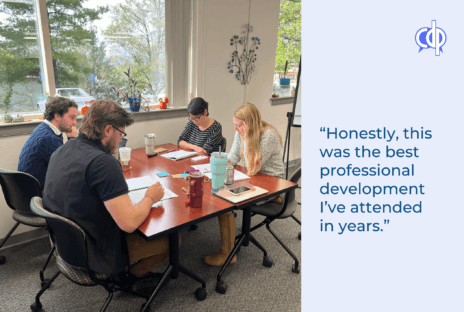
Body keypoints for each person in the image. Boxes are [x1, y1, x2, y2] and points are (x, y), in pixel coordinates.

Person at [42, 99, 169, 290]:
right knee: (171, 241)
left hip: (65, 246)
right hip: (93, 254)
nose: (120, 139)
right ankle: (124, 279)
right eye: (121, 133)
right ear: (108, 129)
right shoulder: (103, 163)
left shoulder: (62, 149)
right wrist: (150, 197)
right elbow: (129, 223)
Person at [203, 102, 285, 267]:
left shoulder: (268, 135)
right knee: (220, 190)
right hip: (253, 178)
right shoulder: (240, 132)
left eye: (239, 125)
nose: (235, 129)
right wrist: (220, 164)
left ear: (250, 124)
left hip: (271, 182)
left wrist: (247, 137)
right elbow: (234, 155)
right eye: (235, 125)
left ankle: (228, 254)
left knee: (225, 202)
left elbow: (253, 166)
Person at [18, 97, 78, 189]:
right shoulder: (48, 138)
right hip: (38, 194)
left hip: (28, 192)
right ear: (57, 116)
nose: (75, 123)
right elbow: (71, 168)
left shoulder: (43, 129)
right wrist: (73, 139)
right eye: (72, 117)